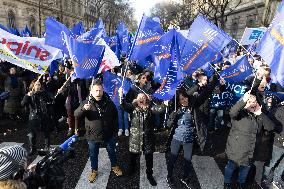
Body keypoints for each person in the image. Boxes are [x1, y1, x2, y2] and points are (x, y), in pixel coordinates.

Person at [74, 79, 122, 183]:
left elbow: (115, 116)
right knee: (93, 154)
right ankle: (94, 170)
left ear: (103, 90)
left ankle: (114, 166)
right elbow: (76, 114)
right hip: (92, 135)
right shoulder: (86, 102)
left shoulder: (109, 102)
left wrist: (115, 131)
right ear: (91, 91)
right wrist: (83, 109)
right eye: (96, 91)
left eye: (100, 90)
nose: (98, 93)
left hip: (108, 133)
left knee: (111, 151)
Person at [224, 92, 275, 189]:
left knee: (245, 169)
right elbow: (232, 112)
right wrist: (243, 100)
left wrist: (260, 114)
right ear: (244, 103)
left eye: (254, 102)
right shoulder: (239, 114)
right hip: (236, 149)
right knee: (231, 167)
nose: (253, 104)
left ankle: (240, 183)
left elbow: (271, 127)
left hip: (251, 150)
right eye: (250, 102)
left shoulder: (259, 115)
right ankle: (227, 183)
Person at [118, 88, 166, 186]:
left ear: (146, 99)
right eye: (139, 97)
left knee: (149, 159)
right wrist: (121, 96)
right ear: (136, 99)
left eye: (143, 97)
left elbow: (159, 109)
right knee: (132, 157)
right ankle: (131, 170)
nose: (141, 98)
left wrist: (165, 103)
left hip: (148, 139)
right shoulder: (132, 108)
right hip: (135, 139)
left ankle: (149, 175)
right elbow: (123, 105)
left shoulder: (150, 108)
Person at [21, 80, 54, 155]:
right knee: (31, 134)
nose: (38, 86)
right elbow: (22, 104)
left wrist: (59, 92)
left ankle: (47, 147)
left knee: (47, 132)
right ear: (33, 86)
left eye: (39, 84)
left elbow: (52, 98)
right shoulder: (29, 94)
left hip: (44, 115)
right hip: (33, 116)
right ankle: (33, 148)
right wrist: (27, 96)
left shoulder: (44, 93)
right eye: (36, 85)